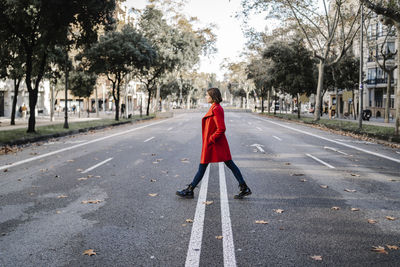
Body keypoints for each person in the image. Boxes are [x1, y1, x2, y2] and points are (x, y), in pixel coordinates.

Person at [176, 88, 252, 199]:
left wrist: (211, 139)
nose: (206, 97)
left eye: (207, 95)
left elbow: (221, 128)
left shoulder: (216, 109)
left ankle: (190, 190)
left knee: (204, 166)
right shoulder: (215, 107)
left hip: (215, 144)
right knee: (228, 164)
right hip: (215, 144)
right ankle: (244, 187)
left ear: (213, 96)